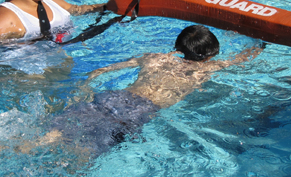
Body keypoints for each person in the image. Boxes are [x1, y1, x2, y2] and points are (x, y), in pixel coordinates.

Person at [16, 25, 262, 167]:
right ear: (210, 55)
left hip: (112, 97)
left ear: (178, 47)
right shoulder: (207, 68)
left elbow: (103, 70)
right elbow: (242, 58)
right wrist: (261, 43)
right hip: (138, 112)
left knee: (55, 132)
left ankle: (14, 148)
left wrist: (86, 85)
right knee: (86, 152)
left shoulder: (154, 57)